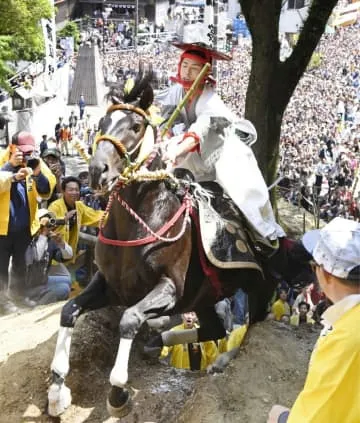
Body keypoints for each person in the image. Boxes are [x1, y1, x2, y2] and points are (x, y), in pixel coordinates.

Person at [156, 42, 284, 242]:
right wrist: (166, 143)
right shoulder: (176, 92)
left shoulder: (211, 101)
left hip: (222, 150)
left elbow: (200, 131)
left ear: (205, 72)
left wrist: (175, 151)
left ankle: (264, 234)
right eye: (185, 65)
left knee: (243, 195)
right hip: (189, 151)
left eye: (194, 68)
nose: (187, 72)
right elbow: (166, 121)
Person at [267, 217, 360, 423]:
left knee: (275, 413)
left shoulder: (344, 338)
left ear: (325, 274)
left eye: (314, 266)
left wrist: (283, 418)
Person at [0, 132, 56, 313]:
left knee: (20, 265)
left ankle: (18, 296)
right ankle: (2, 302)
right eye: (22, 151)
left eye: (29, 152)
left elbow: (47, 190)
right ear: (11, 147)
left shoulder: (34, 162)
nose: (25, 155)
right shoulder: (2, 161)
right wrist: (11, 168)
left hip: (24, 228)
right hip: (2, 228)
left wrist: (38, 174)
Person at [48, 176, 103, 264]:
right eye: (71, 190)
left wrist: (114, 215)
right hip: (54, 254)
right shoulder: (55, 206)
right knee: (65, 277)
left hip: (67, 253)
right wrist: (64, 220)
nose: (74, 192)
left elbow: (96, 216)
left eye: (76, 190)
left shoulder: (79, 206)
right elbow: (48, 224)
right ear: (63, 191)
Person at [23, 209, 73, 306]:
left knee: (67, 280)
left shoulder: (49, 240)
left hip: (41, 280)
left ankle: (40, 298)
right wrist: (43, 235)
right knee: (64, 289)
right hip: (27, 285)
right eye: (45, 221)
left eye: (50, 221)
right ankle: (36, 304)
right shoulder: (27, 239)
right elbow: (37, 257)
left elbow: (68, 256)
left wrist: (61, 243)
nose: (48, 225)